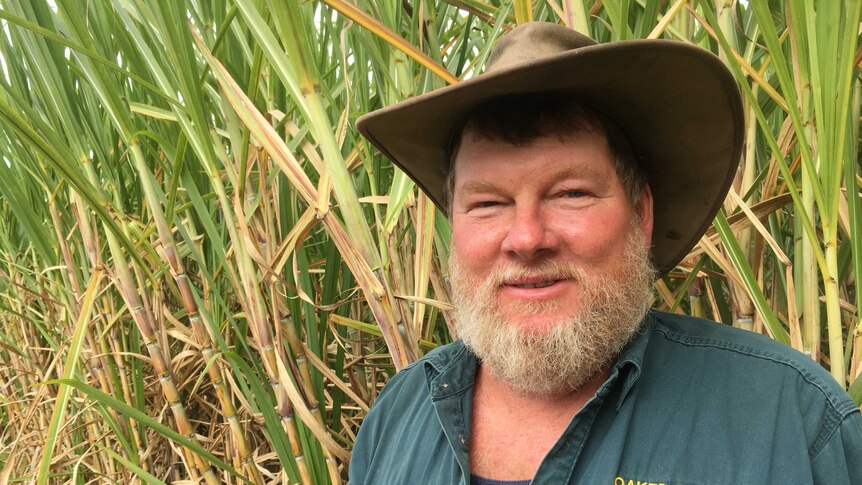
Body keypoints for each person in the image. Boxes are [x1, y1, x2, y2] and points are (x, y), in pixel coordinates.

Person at [350, 22, 862, 484]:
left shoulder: (793, 422)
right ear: (453, 227)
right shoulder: (396, 418)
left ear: (641, 215)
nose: (527, 238)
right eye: (488, 203)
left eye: (570, 193)